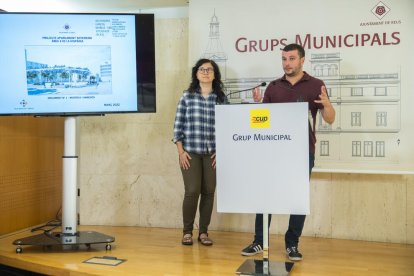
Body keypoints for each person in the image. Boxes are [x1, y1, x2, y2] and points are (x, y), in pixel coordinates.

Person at [241, 43, 335, 261]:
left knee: (297, 198)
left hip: (303, 151)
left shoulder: (316, 85)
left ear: (302, 59)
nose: (287, 63)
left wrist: (328, 105)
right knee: (266, 195)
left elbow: (330, 119)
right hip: (274, 151)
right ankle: (259, 241)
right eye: (284, 59)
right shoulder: (273, 87)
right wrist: (258, 108)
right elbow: (262, 122)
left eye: (291, 58)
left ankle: (292, 244)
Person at [172, 58, 228, 246]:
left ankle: (203, 232)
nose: (205, 72)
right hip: (191, 153)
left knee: (209, 192)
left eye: (209, 70)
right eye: (202, 69)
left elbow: (228, 127)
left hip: (212, 153)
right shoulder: (187, 97)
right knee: (192, 191)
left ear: (214, 74)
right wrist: (181, 152)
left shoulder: (221, 99)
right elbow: (177, 127)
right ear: (196, 74)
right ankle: (187, 231)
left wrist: (221, 151)